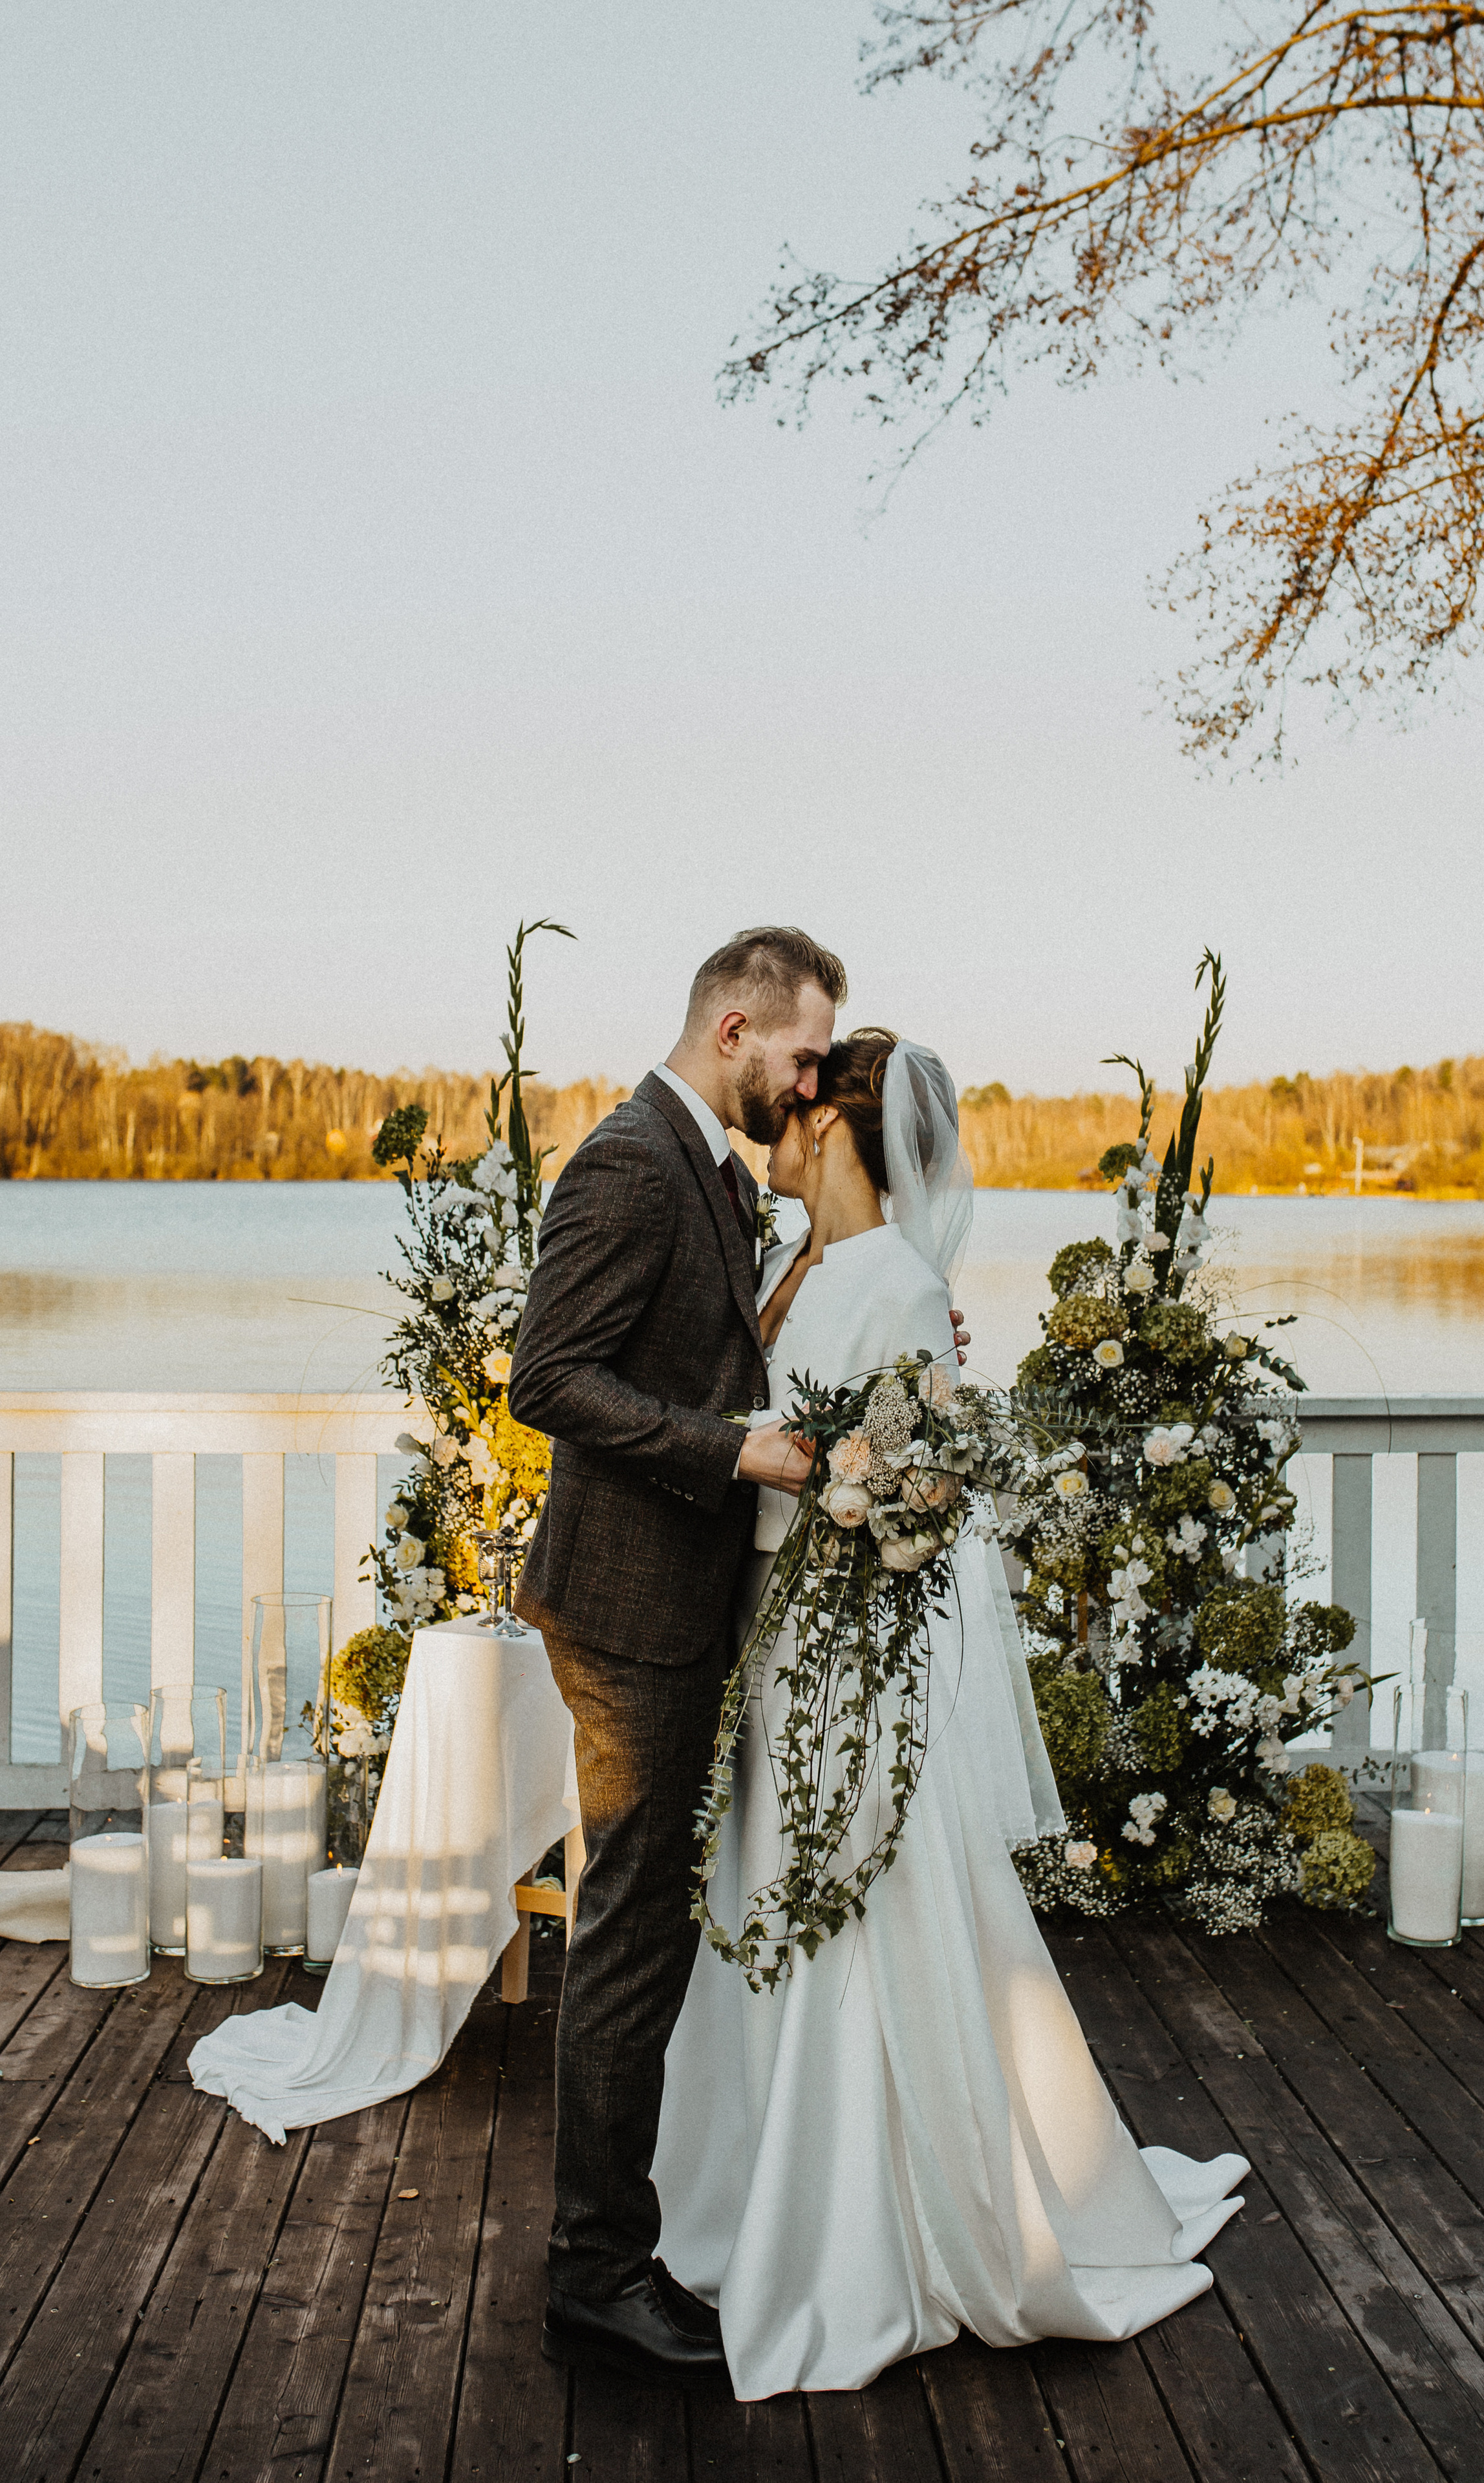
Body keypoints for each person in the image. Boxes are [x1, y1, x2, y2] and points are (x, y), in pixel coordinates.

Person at [650, 1029, 1249, 2400]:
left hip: (842, 1652)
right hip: (764, 1635)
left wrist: (849, 1497)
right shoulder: (779, 1260)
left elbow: (914, 1491)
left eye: (792, 1117)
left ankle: (878, 2213)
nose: (771, 1136)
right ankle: (742, 2182)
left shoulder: (903, 1288)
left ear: (839, 1130)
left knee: (860, 1901)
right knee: (757, 1887)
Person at [508, 930, 967, 2379]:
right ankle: (593, 2267)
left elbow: (756, 1348)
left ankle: (672, 2214)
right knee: (631, 1932)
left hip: (696, 1610)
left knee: (657, 1926)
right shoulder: (637, 1159)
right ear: (731, 1029)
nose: (811, 1078)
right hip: (631, 1615)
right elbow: (548, 1377)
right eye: (800, 1051)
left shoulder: (712, 1168)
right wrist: (734, 1448)